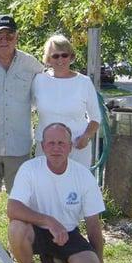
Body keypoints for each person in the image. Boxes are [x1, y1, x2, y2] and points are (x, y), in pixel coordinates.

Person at [7, 123, 106, 263]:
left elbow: (93, 225)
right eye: (51, 143)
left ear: (70, 147)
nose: (56, 148)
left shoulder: (84, 176)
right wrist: (48, 220)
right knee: (16, 227)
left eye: (61, 143)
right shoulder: (29, 169)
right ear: (43, 147)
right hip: (37, 231)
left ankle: (55, 261)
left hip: (68, 233)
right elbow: (12, 209)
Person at [0, 14, 44, 240]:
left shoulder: (31, 64)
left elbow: (46, 96)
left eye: (9, 35)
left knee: (20, 200)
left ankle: (18, 243)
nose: (4, 40)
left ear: (17, 37)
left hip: (20, 145)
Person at [33, 34, 100, 167]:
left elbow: (96, 118)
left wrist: (86, 136)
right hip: (45, 149)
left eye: (64, 55)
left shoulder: (84, 82)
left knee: (77, 187)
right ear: (48, 59)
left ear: (71, 56)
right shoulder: (39, 80)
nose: (60, 60)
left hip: (76, 148)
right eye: (55, 56)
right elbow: (26, 108)